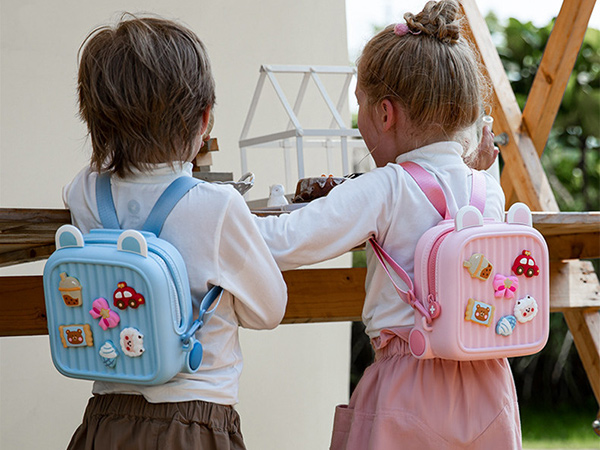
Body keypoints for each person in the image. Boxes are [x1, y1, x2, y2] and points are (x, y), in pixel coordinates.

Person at [255, 1, 520, 449]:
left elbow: (284, 243)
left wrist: (219, 213)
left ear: (384, 114)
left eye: (359, 107)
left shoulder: (387, 187)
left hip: (409, 384)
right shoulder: (486, 190)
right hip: (489, 382)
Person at [63, 15, 286, 450]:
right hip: (195, 421)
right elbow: (269, 309)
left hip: (106, 417)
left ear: (97, 120)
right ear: (204, 121)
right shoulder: (218, 206)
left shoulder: (84, 191)